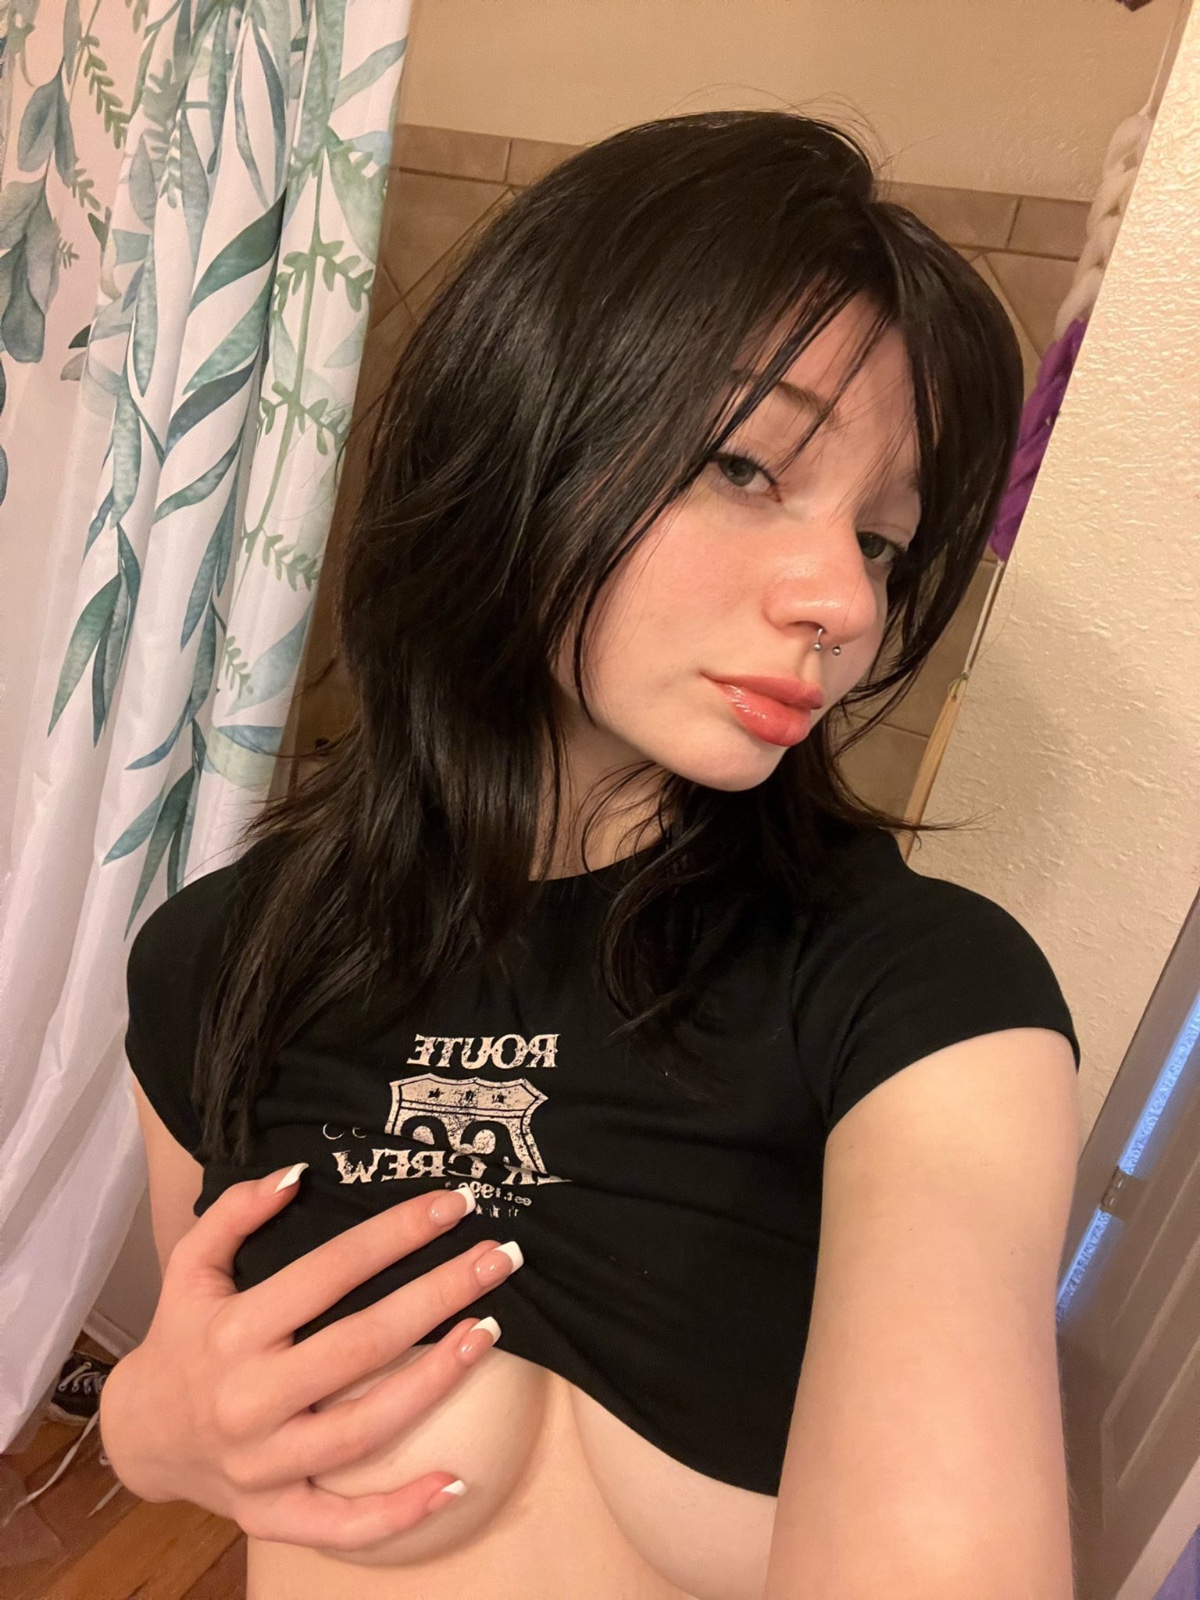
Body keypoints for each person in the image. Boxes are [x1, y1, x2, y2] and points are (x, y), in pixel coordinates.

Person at [98, 110, 1082, 1600]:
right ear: (518, 435)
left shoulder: (924, 1005)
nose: (844, 603)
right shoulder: (223, 958)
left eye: (883, 539)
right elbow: (197, 1390)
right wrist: (146, 1432)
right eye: (746, 468)